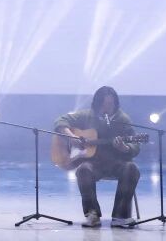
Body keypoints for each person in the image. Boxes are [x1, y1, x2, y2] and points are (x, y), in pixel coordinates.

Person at [54, 85, 142, 228]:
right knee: (83, 170)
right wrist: (71, 136)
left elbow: (136, 147)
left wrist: (125, 148)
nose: (106, 108)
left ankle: (120, 217)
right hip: (94, 163)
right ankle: (92, 215)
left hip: (116, 163)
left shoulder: (123, 119)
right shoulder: (87, 115)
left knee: (131, 168)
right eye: (103, 104)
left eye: (110, 104)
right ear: (96, 104)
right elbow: (60, 121)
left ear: (115, 104)